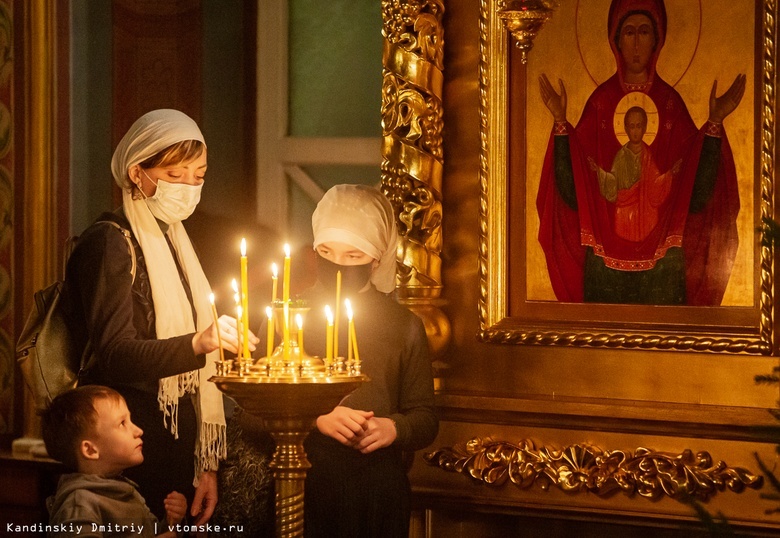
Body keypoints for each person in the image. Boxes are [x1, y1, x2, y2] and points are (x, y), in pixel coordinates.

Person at [61, 109, 258, 523]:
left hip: (176, 443)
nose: (189, 186)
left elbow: (192, 384)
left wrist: (205, 465)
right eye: (175, 174)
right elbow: (115, 355)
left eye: (198, 175)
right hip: (130, 442)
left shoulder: (173, 238)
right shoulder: (110, 242)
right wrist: (197, 343)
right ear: (138, 172)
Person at [537, 0, 745, 305]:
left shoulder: (671, 104)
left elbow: (697, 193)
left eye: (644, 32)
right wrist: (560, 123)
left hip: (663, 265)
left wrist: (714, 123)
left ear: (657, 40)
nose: (636, 43)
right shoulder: (600, 103)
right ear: (616, 41)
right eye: (629, 32)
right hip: (605, 264)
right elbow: (572, 190)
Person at [299, 184, 438, 537]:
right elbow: (250, 414)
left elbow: (424, 417)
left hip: (378, 491)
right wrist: (317, 418)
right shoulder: (288, 314)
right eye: (327, 251)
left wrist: (392, 428)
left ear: (376, 258)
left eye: (353, 255)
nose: (338, 264)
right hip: (302, 484)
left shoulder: (404, 324)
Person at [41, 385, 185, 537]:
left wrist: (171, 523)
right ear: (90, 450)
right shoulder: (79, 505)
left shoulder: (124, 490)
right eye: (122, 423)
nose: (138, 431)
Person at [587, 106, 681, 243]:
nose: (636, 131)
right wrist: (599, 172)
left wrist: (670, 174)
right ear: (625, 129)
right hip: (624, 214)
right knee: (625, 245)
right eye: (632, 126)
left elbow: (654, 185)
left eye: (639, 126)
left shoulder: (647, 155)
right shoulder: (621, 155)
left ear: (644, 128)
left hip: (645, 214)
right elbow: (613, 181)